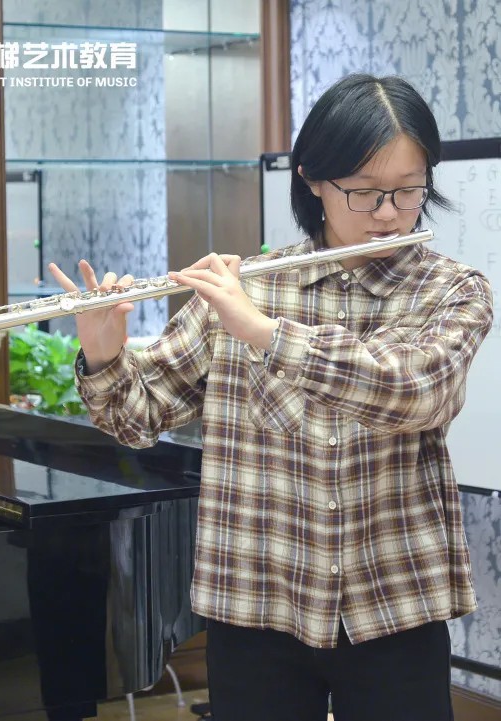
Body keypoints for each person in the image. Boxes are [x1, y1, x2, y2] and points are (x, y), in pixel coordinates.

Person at [50, 74, 493, 721]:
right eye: (363, 191)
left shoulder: (451, 291)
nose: (388, 213)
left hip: (393, 603)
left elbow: (413, 389)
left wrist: (263, 333)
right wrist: (102, 351)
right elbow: (135, 418)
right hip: (255, 601)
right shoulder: (243, 290)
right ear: (312, 179)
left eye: (407, 189)